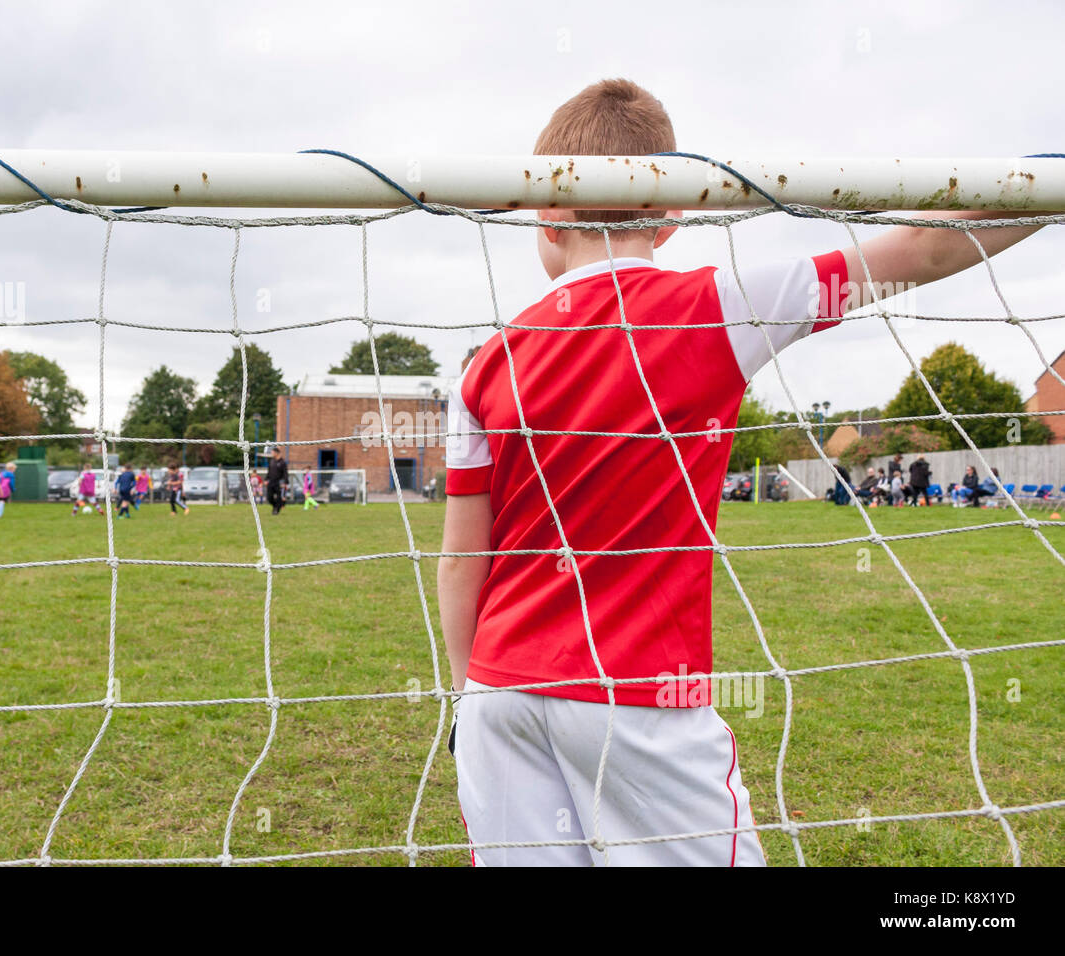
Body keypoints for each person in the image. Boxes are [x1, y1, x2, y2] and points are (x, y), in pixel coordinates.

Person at [437, 78, 1046, 867]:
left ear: (544, 210)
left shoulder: (483, 365)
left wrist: (467, 693)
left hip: (498, 698)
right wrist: (1047, 188)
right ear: (675, 210)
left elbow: (460, 560)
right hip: (642, 698)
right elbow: (923, 249)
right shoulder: (719, 307)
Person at [266, 446, 288, 515]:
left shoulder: (282, 462)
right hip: (271, 482)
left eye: (272, 452)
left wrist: (285, 482)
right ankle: (275, 506)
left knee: (279, 497)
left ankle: (276, 510)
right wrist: (266, 479)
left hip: (279, 482)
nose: (272, 453)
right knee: (269, 497)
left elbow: (285, 473)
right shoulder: (272, 461)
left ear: (276, 453)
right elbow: (269, 471)